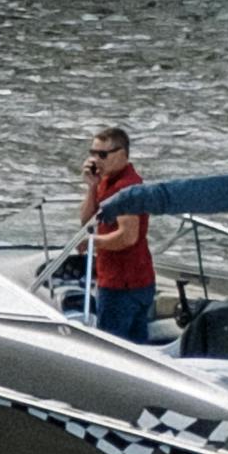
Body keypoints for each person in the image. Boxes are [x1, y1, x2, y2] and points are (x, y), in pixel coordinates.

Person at [72, 124, 159, 345]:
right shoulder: (106, 181)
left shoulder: (126, 189)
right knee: (136, 346)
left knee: (113, 346)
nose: (95, 160)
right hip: (121, 280)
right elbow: (87, 220)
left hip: (124, 286)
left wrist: (92, 242)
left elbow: (128, 236)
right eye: (92, 153)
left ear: (122, 154)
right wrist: (92, 187)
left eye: (102, 154)